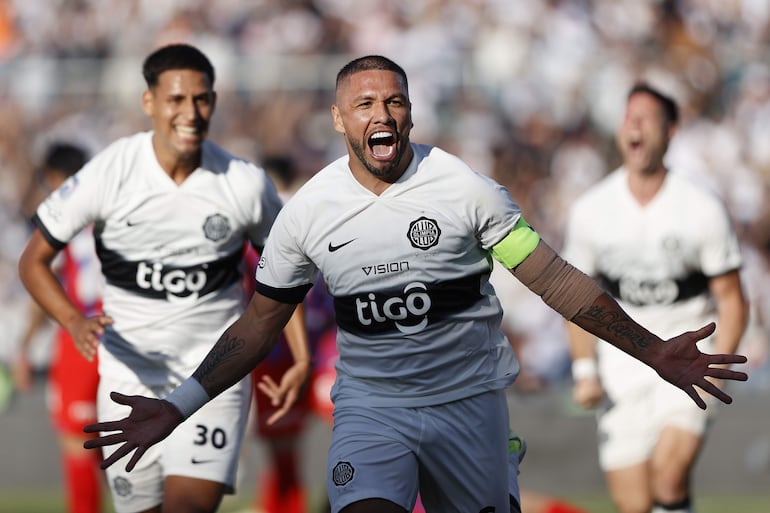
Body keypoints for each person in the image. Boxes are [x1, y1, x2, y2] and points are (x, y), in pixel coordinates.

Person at [82, 56, 747, 513]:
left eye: (395, 100)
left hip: (469, 405)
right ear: (341, 120)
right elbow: (258, 324)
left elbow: (552, 278)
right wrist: (179, 403)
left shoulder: (464, 189)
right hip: (374, 409)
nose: (384, 112)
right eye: (366, 103)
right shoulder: (308, 214)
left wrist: (653, 349)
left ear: (410, 113)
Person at [17, 43, 309, 513]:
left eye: (201, 99)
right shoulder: (110, 173)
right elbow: (33, 260)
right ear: (149, 102)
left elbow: (286, 277)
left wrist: (300, 352)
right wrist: (73, 321)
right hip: (127, 379)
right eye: (176, 99)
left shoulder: (243, 184)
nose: (190, 113)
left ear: (213, 101)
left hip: (214, 377)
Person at [562, 83, 749, 513]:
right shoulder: (591, 209)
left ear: (671, 132)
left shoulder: (701, 208)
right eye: (629, 116)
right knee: (635, 504)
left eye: (646, 117)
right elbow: (575, 301)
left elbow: (732, 299)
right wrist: (585, 369)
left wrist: (719, 365)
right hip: (621, 366)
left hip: (687, 358)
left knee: (670, 475)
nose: (635, 125)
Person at [12, 142, 106, 513]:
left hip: (82, 334)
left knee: (76, 442)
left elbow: (45, 281)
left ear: (53, 178)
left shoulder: (61, 215)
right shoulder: (110, 209)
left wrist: (25, 344)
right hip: (126, 331)